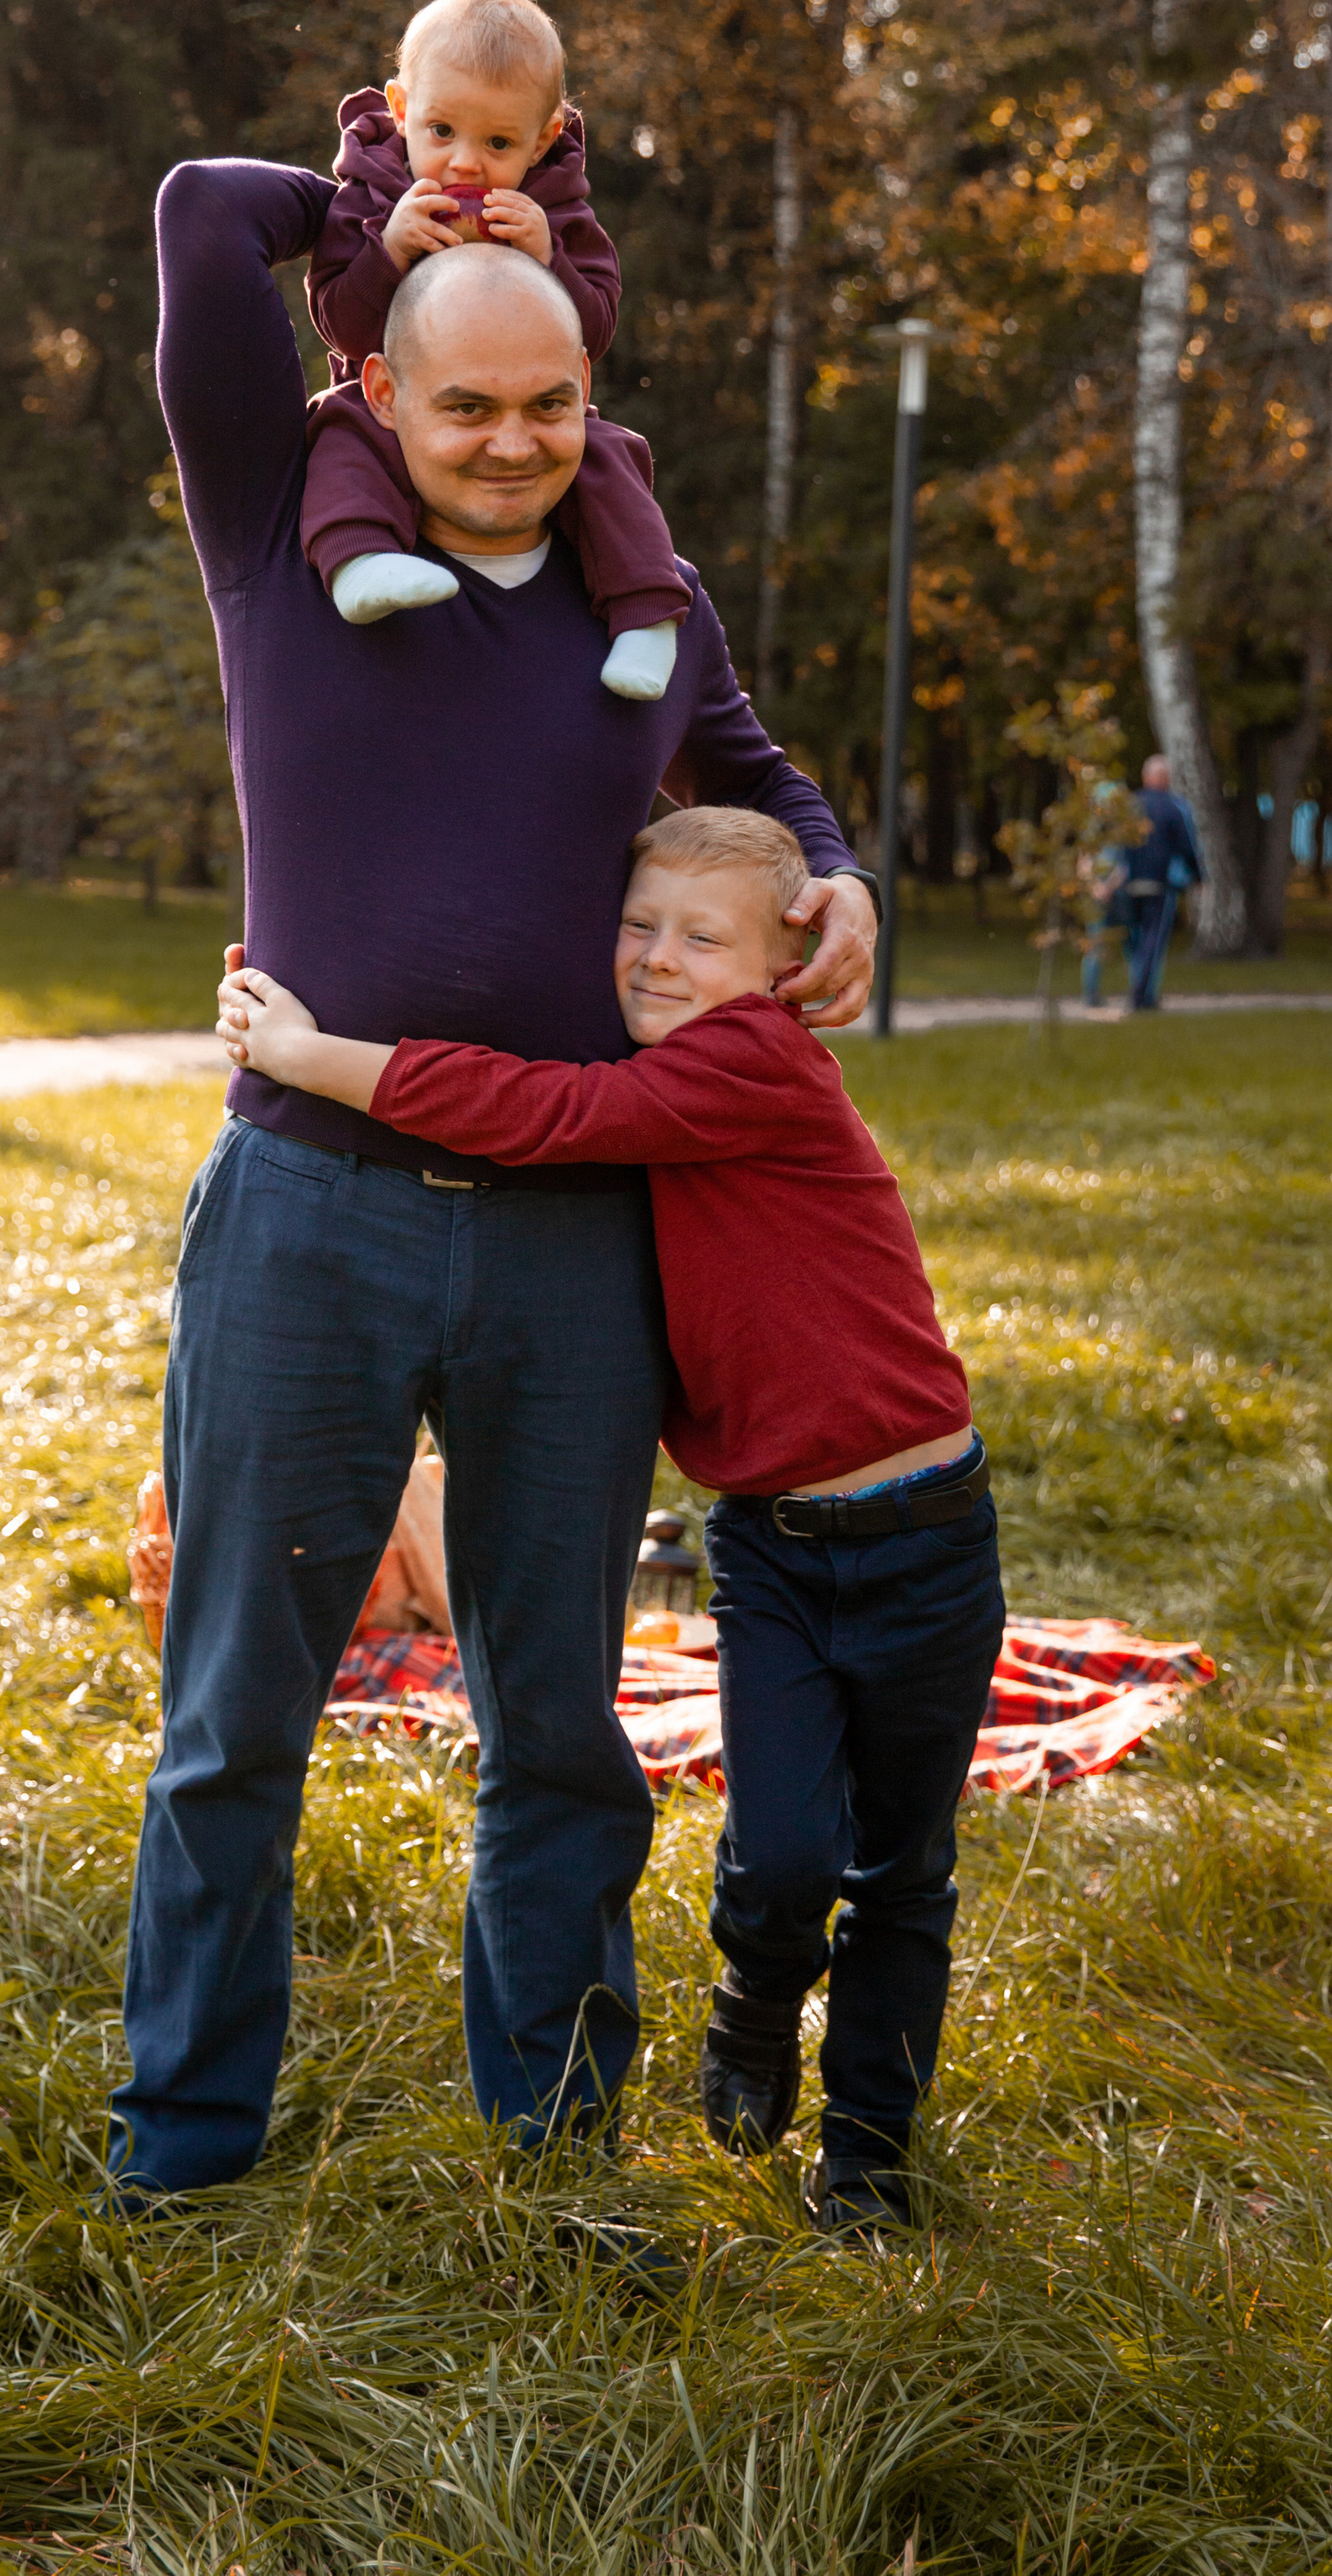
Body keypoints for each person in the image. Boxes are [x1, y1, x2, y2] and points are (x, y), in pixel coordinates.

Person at [109, 165, 879, 2201]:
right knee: (233, 1721)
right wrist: (405, 193)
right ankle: (181, 2143)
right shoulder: (277, 527)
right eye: (467, 407)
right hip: (309, 1208)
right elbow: (199, 220)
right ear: (374, 382)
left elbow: (763, 776)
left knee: (558, 1725)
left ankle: (547, 2137)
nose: (516, 442)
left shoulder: (645, 604)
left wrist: (843, 873)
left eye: (551, 403)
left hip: (571, 1239)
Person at [216, 803, 1005, 2240]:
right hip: (768, 1549)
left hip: (922, 1537)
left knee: (904, 1867)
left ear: (781, 969)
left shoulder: (749, 1062)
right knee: (777, 1866)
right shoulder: (673, 1062)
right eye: (637, 925)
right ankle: (757, 2002)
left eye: (702, 938)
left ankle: (871, 2168)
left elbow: (545, 1113)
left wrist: (305, 1059)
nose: (654, 958)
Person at [303, 0, 690, 700]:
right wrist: (384, 253)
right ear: (399, 109)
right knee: (339, 433)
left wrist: (552, 259)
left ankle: (646, 615)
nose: (465, 165)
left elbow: (597, 327)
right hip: (395, 402)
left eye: (500, 142)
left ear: (544, 137)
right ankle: (360, 563)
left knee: (609, 460)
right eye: (442, 131)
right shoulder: (373, 194)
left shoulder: (558, 207)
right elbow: (339, 323)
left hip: (528, 396)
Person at [1121, 754, 1205, 1012]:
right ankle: (1142, 995)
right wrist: (1198, 877)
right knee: (1152, 940)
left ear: (1146, 777)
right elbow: (1188, 846)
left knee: (1134, 939)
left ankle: (1139, 988)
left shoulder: (1129, 806)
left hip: (1128, 882)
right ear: (1166, 779)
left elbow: (1117, 845)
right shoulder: (1174, 806)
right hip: (1159, 883)